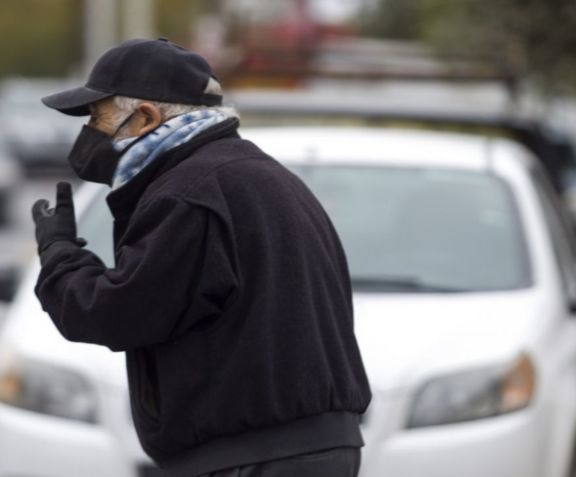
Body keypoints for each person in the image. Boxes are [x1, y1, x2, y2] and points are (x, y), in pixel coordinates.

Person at [31, 38, 371, 477]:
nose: (89, 132)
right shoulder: (252, 174)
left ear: (146, 116)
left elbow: (115, 313)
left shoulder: (190, 193)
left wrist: (58, 253)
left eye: (98, 116)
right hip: (302, 448)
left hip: (252, 456)